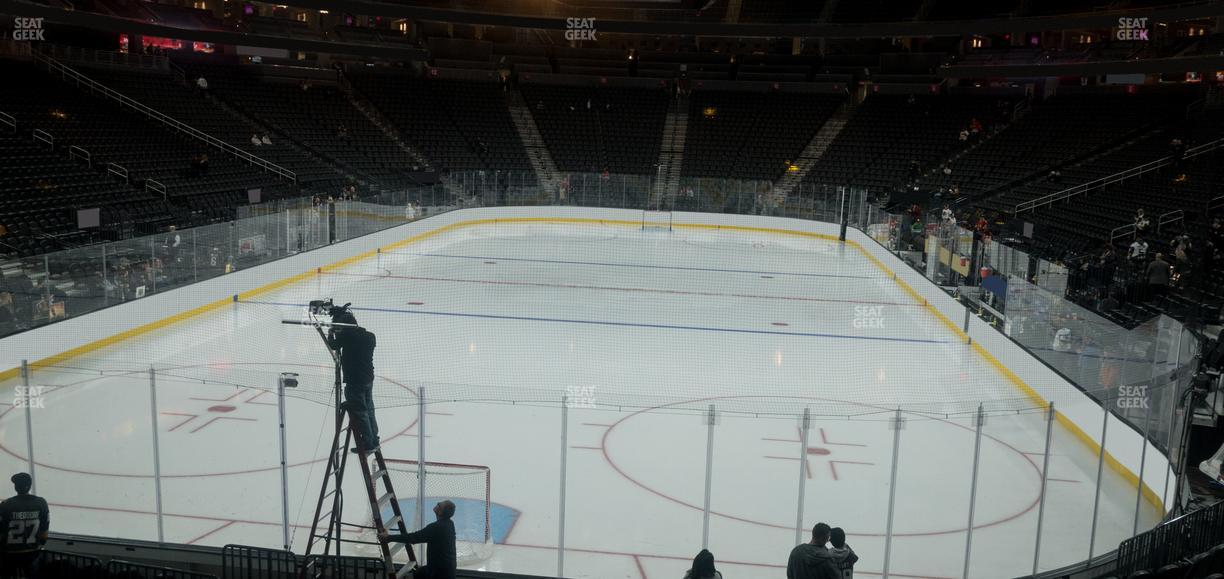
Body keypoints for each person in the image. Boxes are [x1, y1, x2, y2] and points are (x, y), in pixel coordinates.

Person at [328, 310, 379, 452]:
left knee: (361, 411)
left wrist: (331, 333)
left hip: (355, 381)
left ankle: (368, 442)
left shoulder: (348, 337)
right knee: (369, 409)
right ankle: (374, 438)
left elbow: (333, 345)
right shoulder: (370, 336)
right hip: (368, 378)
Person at [382, 500, 456, 579]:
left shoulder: (436, 527)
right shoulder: (450, 524)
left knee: (419, 573)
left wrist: (388, 538)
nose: (437, 504)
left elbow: (414, 537)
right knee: (419, 573)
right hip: (448, 570)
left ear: (440, 512)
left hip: (438, 573)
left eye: (439, 504)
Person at [0, 473, 49, 578]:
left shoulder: (6, 504)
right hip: (32, 552)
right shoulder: (41, 503)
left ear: (16, 487)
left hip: (10, 553)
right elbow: (44, 531)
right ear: (30, 486)